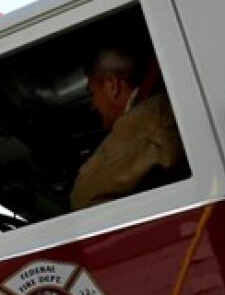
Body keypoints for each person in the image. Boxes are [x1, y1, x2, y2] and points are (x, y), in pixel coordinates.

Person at [71, 41, 188, 210]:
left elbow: (83, 194)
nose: (93, 106)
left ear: (113, 85)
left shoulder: (147, 120)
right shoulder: (158, 108)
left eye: (92, 92)